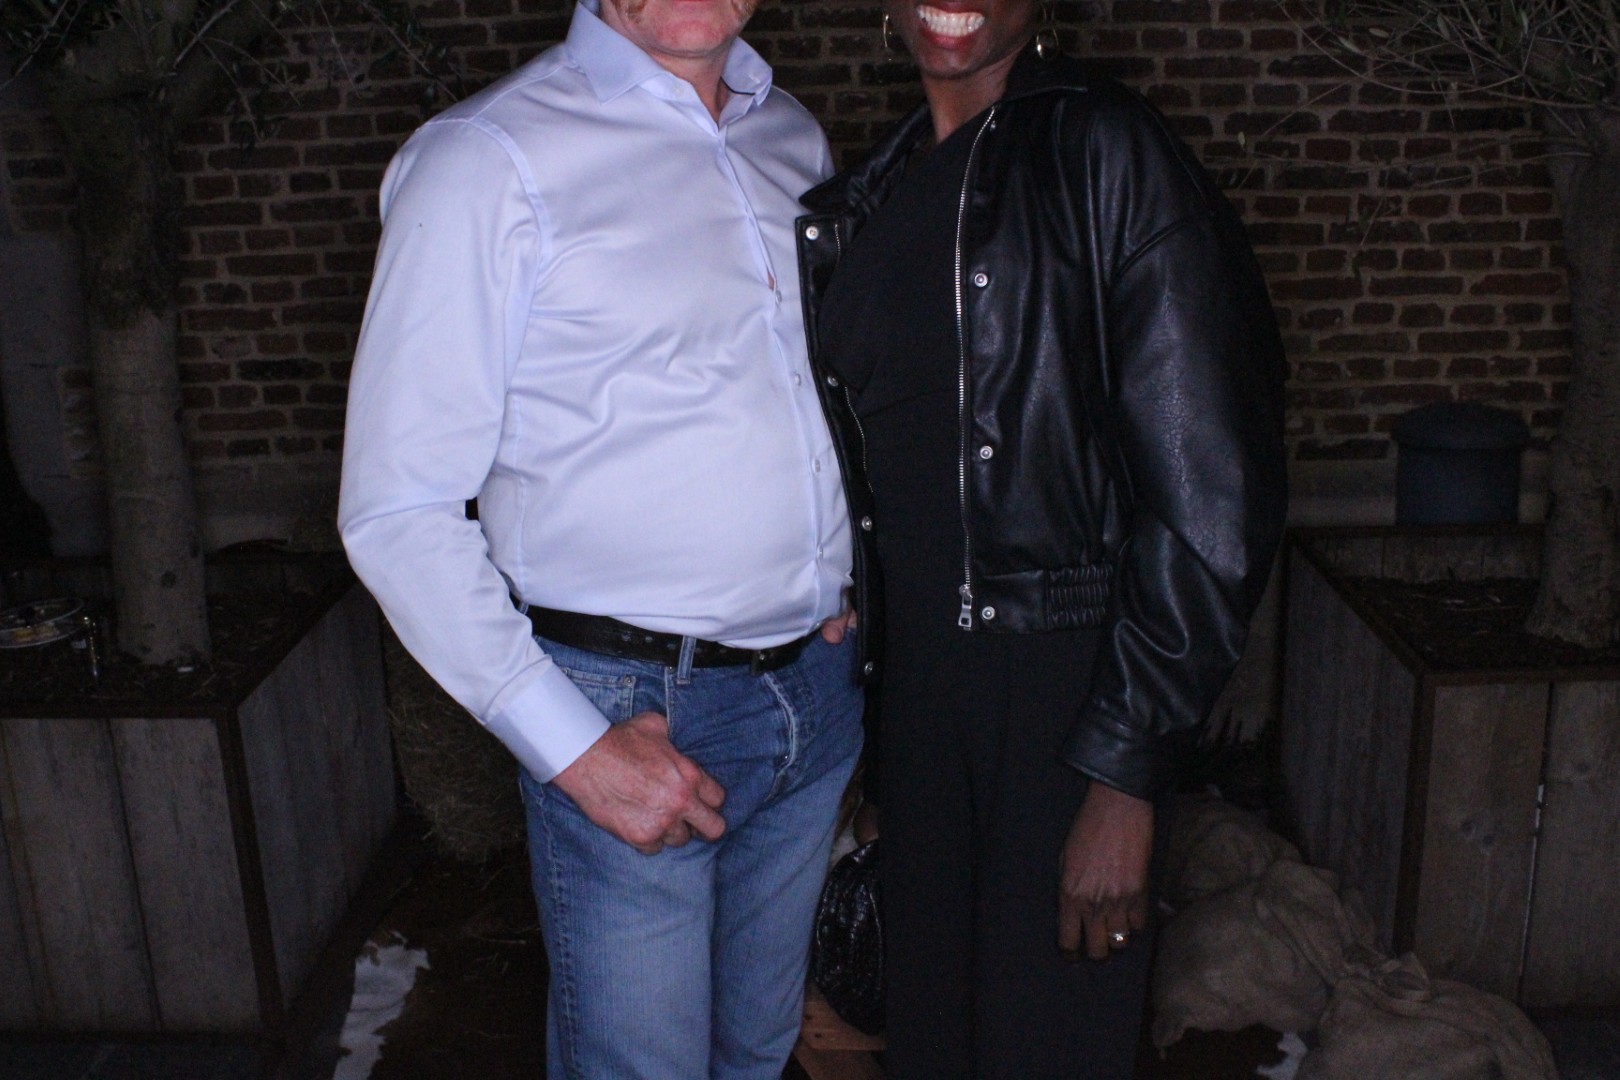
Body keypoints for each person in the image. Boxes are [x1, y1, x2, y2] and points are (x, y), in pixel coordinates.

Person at [337, 1, 873, 1076]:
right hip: (631, 711)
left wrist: (852, 564)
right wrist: (575, 750)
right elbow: (395, 510)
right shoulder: (484, 161)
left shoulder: (791, 138)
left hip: (814, 695)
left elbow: (814, 388)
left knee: (756, 1052)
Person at [796, 1, 1289, 1076]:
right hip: (920, 708)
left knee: (1047, 1045)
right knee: (931, 1046)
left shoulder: (1105, 149)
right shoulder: (867, 193)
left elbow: (1213, 489)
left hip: (1064, 699)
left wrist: (1124, 775)